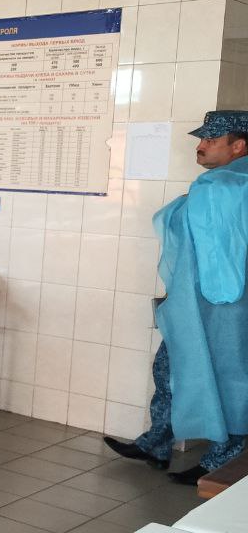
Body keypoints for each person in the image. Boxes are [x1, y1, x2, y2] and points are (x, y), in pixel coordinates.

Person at [104, 110, 248, 486]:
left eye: (210, 140)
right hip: (201, 303)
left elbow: (218, 251)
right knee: (172, 369)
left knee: (230, 377)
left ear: (238, 146)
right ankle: (157, 443)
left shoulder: (222, 186)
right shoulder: (220, 184)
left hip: (225, 307)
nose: (201, 147)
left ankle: (220, 462)